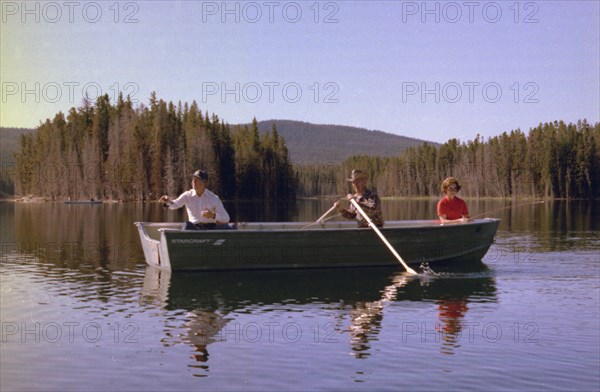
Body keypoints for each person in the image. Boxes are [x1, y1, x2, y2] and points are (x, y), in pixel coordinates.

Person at [159, 169, 231, 230]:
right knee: (186, 226)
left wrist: (213, 216)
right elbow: (175, 205)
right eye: (193, 179)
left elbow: (226, 218)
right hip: (194, 228)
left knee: (229, 227)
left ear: (205, 183)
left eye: (197, 179)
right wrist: (167, 201)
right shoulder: (187, 195)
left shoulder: (213, 198)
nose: (194, 181)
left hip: (211, 228)